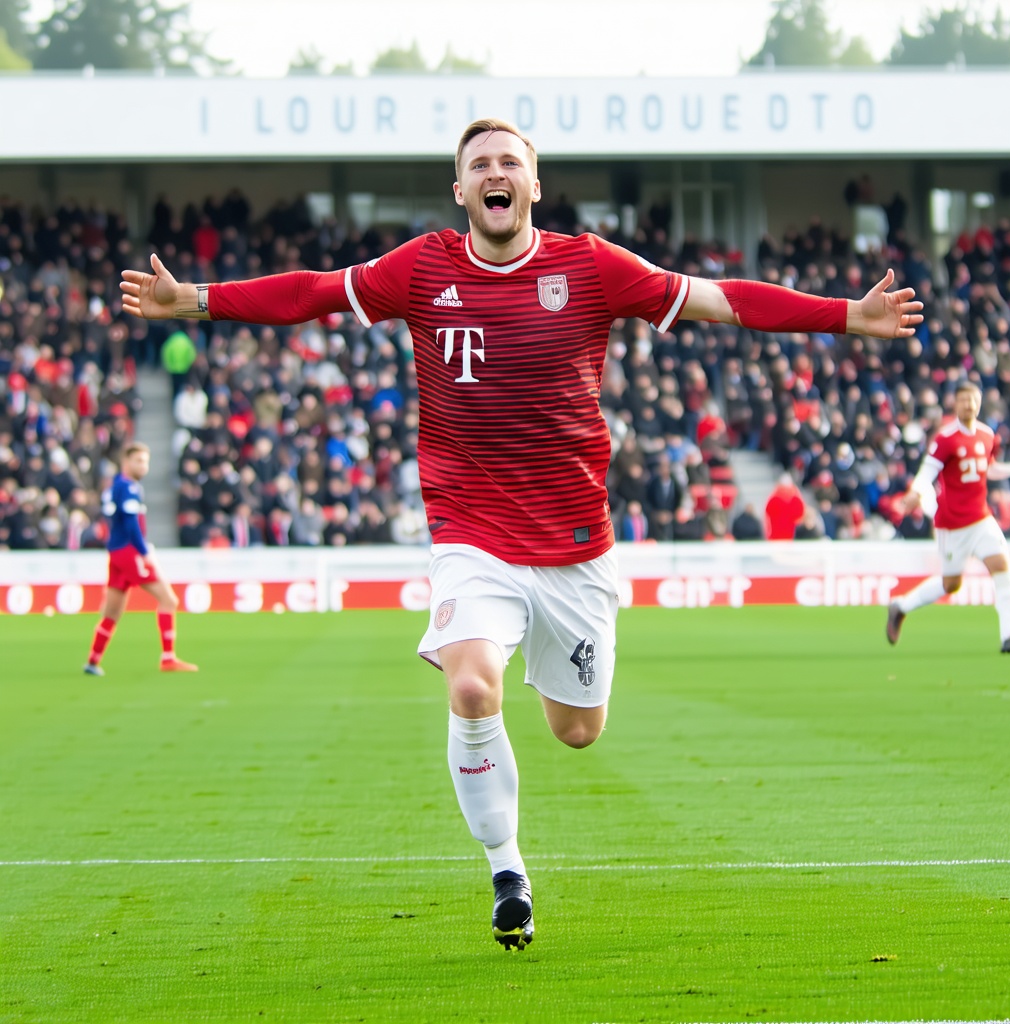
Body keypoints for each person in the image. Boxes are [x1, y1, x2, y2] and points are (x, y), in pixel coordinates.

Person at [118, 117, 923, 950]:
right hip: (471, 533)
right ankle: (507, 869)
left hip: (575, 545)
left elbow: (722, 301)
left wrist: (845, 317)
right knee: (471, 689)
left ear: (535, 186)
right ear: (460, 191)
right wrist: (198, 301)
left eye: (511, 162)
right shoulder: (422, 267)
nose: (495, 173)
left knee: (579, 731)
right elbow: (312, 293)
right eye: (479, 165)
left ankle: (531, 776)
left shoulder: (590, 265)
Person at [887, 380, 1010, 653]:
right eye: (963, 399)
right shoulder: (945, 439)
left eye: (973, 399)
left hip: (982, 519)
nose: (969, 404)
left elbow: (989, 469)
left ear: (980, 402)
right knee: (951, 583)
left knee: (1003, 571)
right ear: (955, 403)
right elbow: (927, 474)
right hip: (952, 524)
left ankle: (1008, 637)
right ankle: (900, 606)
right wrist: (915, 493)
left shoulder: (987, 435)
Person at [84, 442, 198, 676]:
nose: (144, 466)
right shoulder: (129, 487)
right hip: (129, 551)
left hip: (115, 552)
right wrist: (144, 553)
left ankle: (93, 661)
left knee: (112, 612)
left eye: (146, 461)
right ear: (126, 462)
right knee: (169, 600)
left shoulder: (115, 485)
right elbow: (130, 522)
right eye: (139, 461)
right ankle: (168, 658)